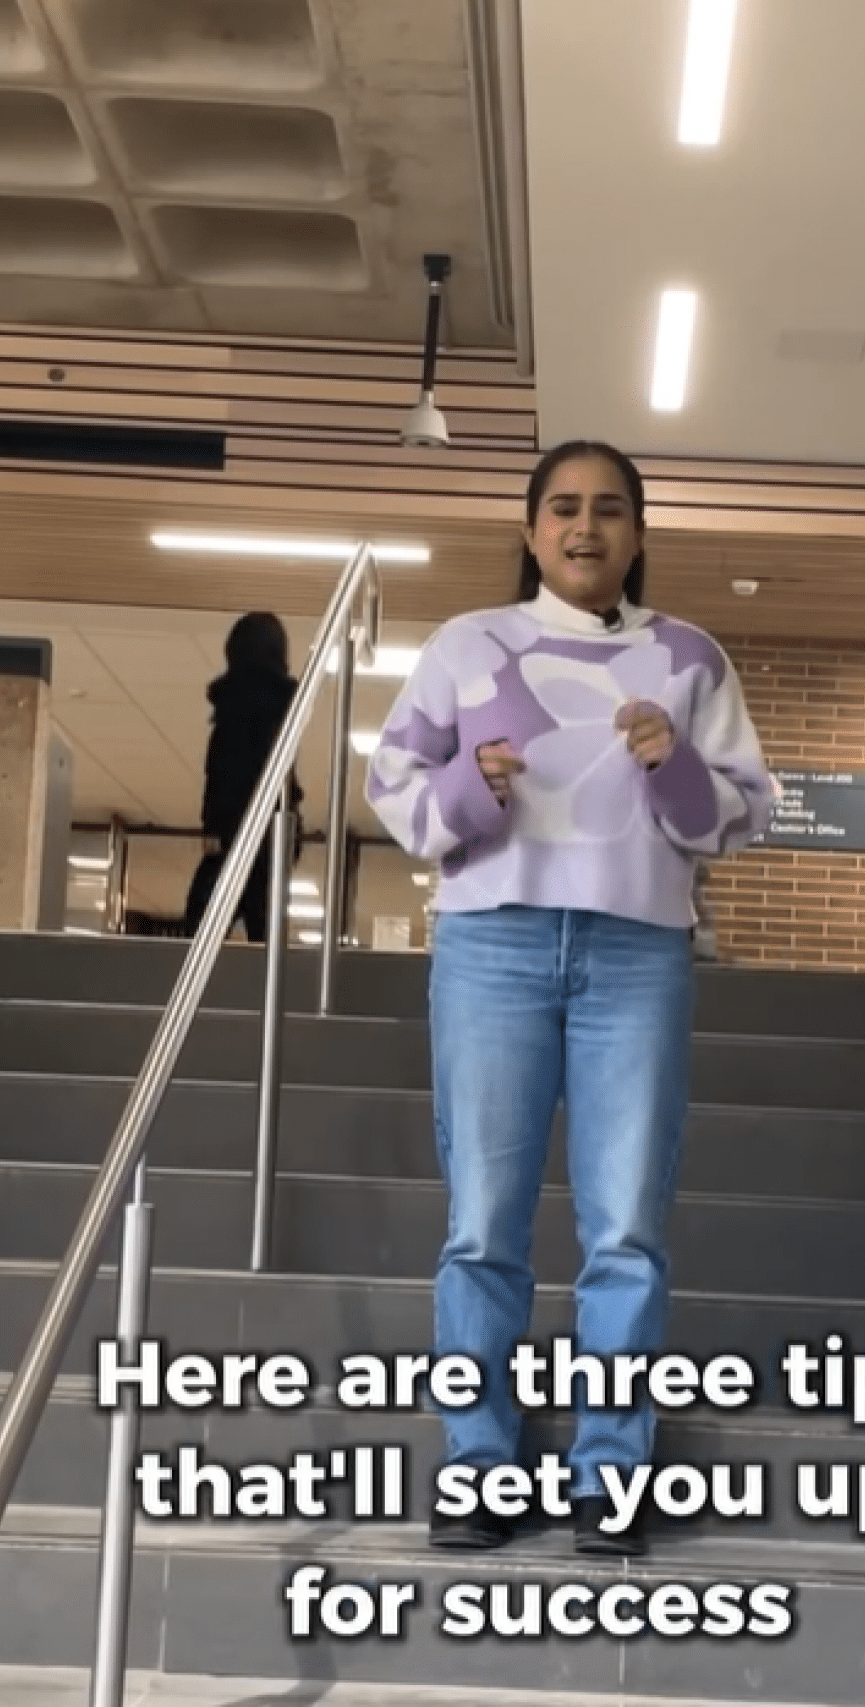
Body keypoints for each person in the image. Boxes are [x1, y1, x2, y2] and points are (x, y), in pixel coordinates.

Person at [365, 441, 774, 1557]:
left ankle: (612, 1471)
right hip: (491, 945)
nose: (584, 526)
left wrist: (672, 763)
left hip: (637, 952)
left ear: (639, 532)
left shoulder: (688, 656)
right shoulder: (464, 645)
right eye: (561, 508)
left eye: (608, 509)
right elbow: (396, 793)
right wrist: (469, 784)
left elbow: (740, 813)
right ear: (531, 527)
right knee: (483, 1224)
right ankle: (481, 1466)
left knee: (627, 1225)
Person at [184, 612, 304, 943]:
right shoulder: (280, 712)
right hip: (269, 835)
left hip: (234, 835)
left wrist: (214, 830)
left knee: (199, 929)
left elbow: (222, 780)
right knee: (263, 931)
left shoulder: (231, 712)